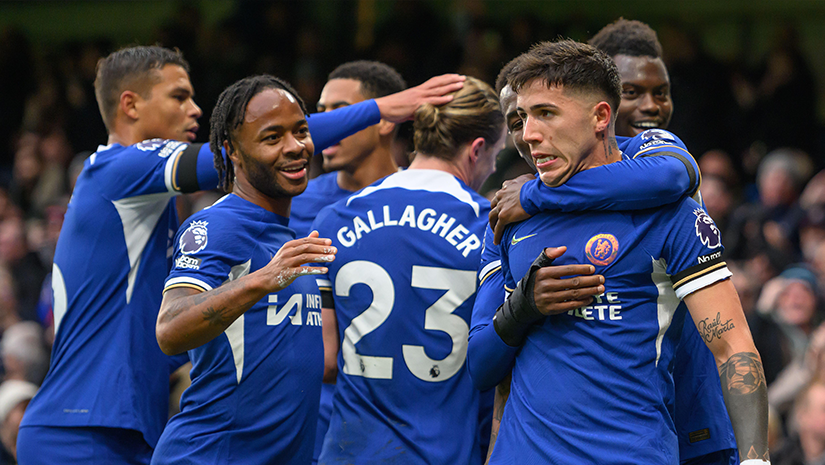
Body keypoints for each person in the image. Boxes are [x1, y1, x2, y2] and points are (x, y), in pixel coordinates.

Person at [17, 44, 464, 464]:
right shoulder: (122, 170)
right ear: (130, 105)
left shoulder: (152, 208)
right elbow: (241, 150)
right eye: (179, 96)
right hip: (83, 425)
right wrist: (378, 109)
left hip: (125, 419)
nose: (194, 109)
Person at [470, 39, 769, 464]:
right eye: (521, 118)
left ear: (601, 116)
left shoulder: (669, 213)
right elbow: (481, 367)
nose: (530, 134)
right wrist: (523, 307)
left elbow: (733, 344)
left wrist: (757, 460)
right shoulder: (508, 217)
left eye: (546, 114)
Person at [313, 76, 505, 464]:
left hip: (349, 451)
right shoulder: (490, 227)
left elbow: (326, 360)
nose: (494, 165)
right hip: (442, 452)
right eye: (496, 155)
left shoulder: (334, 218)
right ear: (477, 148)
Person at [152, 74, 335, 464]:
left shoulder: (288, 236)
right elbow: (170, 329)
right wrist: (263, 279)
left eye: (300, 131)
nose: (295, 147)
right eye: (272, 138)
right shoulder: (216, 226)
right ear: (232, 151)